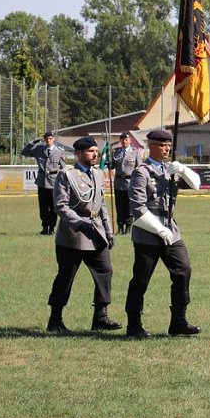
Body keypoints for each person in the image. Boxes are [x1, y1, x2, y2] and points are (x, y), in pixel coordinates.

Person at [124, 129, 202, 338]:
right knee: (141, 279)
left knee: (183, 271)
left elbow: (197, 184)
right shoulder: (142, 172)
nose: (167, 148)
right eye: (162, 145)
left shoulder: (172, 170)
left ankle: (178, 321)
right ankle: (134, 325)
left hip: (171, 231)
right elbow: (138, 209)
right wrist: (159, 229)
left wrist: (183, 169)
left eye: (169, 145)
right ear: (151, 146)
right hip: (148, 233)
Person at [46, 136, 121, 334]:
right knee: (66, 277)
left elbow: (101, 203)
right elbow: (60, 206)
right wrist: (79, 223)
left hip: (96, 231)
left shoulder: (97, 173)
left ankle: (101, 317)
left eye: (96, 151)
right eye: (90, 151)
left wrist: (108, 229)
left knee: (105, 271)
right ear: (78, 154)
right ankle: (55, 320)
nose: (95, 154)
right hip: (73, 235)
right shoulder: (67, 174)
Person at [22, 131, 67, 235]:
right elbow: (24, 152)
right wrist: (32, 143)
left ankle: (51, 228)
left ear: (53, 139)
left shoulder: (59, 152)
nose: (48, 140)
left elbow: (63, 167)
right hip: (42, 181)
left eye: (50, 138)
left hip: (54, 181)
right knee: (43, 206)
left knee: (53, 206)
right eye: (46, 138)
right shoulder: (39, 149)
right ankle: (44, 227)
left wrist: (63, 182)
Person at [110, 132, 140, 235]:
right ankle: (120, 227)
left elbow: (139, 168)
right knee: (119, 206)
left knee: (129, 206)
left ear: (130, 140)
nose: (124, 141)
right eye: (122, 140)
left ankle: (128, 227)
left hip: (130, 182)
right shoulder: (116, 152)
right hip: (118, 183)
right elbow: (112, 166)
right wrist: (107, 162)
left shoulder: (135, 152)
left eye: (126, 139)